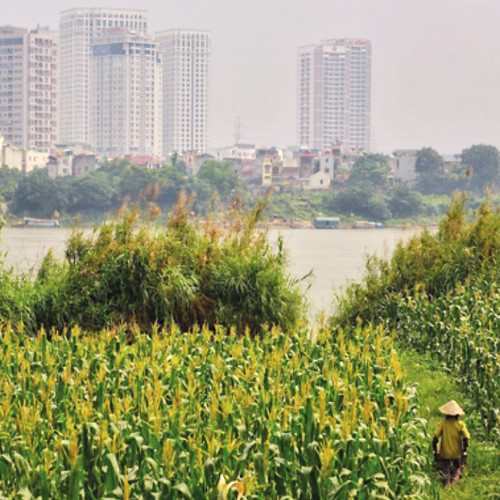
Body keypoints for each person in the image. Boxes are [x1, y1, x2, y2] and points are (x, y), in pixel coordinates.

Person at [432, 400, 470, 487]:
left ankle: (447, 483)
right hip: (457, 451)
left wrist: (435, 448)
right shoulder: (460, 424)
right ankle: (455, 482)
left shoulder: (443, 423)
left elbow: (435, 436)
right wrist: (464, 448)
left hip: (445, 451)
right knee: (457, 466)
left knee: (446, 467)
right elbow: (466, 437)